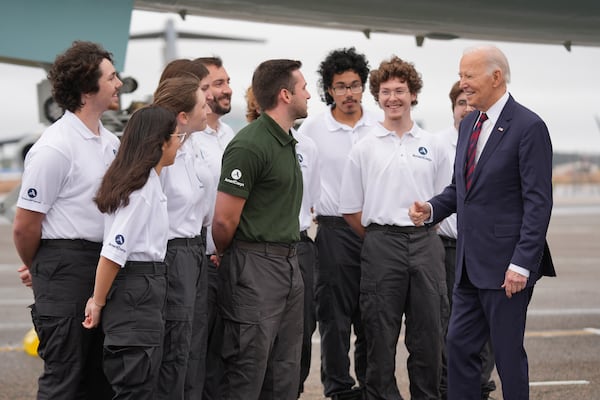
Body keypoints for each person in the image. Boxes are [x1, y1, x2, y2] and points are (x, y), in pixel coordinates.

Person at [409, 45, 555, 400]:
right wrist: (431, 209)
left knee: (506, 355)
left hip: (508, 267)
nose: (463, 84)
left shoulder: (529, 126)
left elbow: (539, 203)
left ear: (496, 77)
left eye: (469, 76)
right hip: (469, 265)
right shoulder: (471, 122)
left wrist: (521, 263)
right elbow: (462, 189)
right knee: (459, 347)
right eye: (461, 76)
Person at [12, 40, 121, 400]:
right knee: (64, 379)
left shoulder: (110, 143)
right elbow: (25, 225)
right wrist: (41, 265)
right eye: (111, 77)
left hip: (102, 264)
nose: (119, 83)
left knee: (100, 379)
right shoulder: (55, 147)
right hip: (65, 266)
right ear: (88, 88)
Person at [339, 56, 450, 400]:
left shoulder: (434, 145)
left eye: (400, 90)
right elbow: (350, 210)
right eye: (385, 91)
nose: (393, 98)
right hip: (381, 244)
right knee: (378, 334)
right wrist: (380, 237)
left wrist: (424, 222)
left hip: (425, 244)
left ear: (413, 94)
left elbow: (447, 199)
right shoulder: (364, 147)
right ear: (377, 96)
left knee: (429, 335)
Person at [212, 59, 309, 400]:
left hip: (288, 264)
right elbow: (224, 220)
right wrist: (228, 254)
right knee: (247, 369)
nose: (309, 95)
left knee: (284, 369)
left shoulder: (286, 140)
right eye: (303, 88)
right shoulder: (249, 145)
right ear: (285, 95)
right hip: (255, 267)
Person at [82, 105, 180, 399]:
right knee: (134, 384)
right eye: (176, 137)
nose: (179, 143)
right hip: (137, 290)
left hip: (144, 288)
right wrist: (97, 302)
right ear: (160, 142)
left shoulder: (146, 183)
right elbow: (113, 251)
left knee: (140, 381)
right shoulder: (143, 189)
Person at [297, 47, 377, 400]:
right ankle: (339, 388)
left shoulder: (378, 125)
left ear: (364, 86)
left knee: (373, 314)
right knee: (333, 316)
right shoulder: (313, 128)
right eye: (341, 86)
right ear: (329, 89)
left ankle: (371, 384)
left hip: (374, 233)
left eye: (355, 85)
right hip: (332, 232)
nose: (349, 93)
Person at [246, 86, 321, 397]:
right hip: (258, 251)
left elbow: (311, 201)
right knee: (258, 338)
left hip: (299, 245)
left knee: (300, 336)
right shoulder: (248, 143)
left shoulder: (308, 146)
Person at [152, 68, 213, 400]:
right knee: (175, 349)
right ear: (182, 115)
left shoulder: (189, 147)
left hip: (195, 250)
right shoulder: (162, 154)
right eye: (202, 102)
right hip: (172, 255)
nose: (209, 109)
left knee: (192, 348)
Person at [436, 81, 497, 400]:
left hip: (485, 247)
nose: (467, 108)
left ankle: (481, 385)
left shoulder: (495, 140)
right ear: (453, 108)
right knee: (450, 322)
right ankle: (451, 386)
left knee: (486, 320)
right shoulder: (437, 145)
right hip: (447, 249)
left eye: (472, 102)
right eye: (461, 102)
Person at [191, 56, 236, 400]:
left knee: (225, 355)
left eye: (226, 81)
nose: (226, 89)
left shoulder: (230, 135)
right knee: (195, 356)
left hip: (229, 260)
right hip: (200, 261)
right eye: (217, 83)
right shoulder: (188, 140)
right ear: (200, 90)